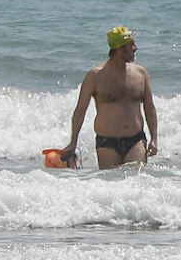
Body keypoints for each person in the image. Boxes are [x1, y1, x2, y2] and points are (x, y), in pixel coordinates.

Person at [61, 25, 159, 169]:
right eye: (132, 44)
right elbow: (80, 109)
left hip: (136, 140)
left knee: (136, 182)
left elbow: (150, 108)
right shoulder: (95, 76)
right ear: (120, 48)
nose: (135, 48)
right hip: (107, 143)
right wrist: (73, 142)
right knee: (110, 184)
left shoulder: (141, 74)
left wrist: (154, 139)